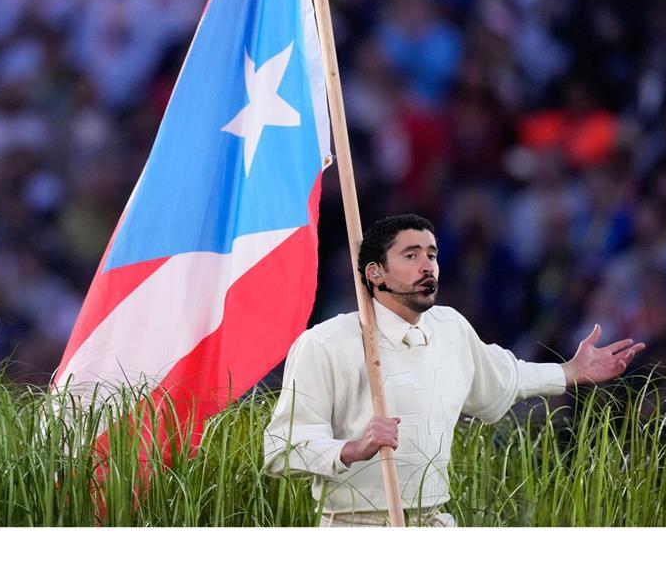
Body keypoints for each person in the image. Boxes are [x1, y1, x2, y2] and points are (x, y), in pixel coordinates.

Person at [263, 214, 645, 527]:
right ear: (375, 273)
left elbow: (505, 376)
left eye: (432, 254)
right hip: (354, 530)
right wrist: (351, 449)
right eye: (411, 255)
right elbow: (280, 448)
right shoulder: (325, 342)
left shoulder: (451, 327)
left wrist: (569, 372)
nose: (427, 265)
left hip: (435, 524)